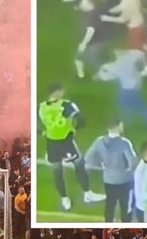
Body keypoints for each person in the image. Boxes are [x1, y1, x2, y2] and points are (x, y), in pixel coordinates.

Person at [38, 83, 105, 211]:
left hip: (51, 144)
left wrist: (43, 132)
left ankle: (64, 199)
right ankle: (87, 194)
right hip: (66, 142)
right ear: (57, 92)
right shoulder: (66, 105)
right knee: (79, 165)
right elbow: (82, 120)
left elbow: (35, 126)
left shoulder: (41, 107)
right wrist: (75, 129)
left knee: (57, 171)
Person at [95, 49, 147, 136]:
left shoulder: (118, 64)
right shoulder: (129, 59)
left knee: (136, 109)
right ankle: (124, 126)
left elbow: (109, 75)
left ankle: (122, 127)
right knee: (133, 109)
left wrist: (98, 76)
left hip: (128, 90)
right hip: (132, 89)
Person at [84, 118, 137, 223]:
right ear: (117, 127)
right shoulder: (124, 143)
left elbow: (88, 157)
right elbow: (132, 162)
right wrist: (130, 170)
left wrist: (99, 165)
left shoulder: (99, 141)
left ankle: (108, 228)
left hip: (108, 178)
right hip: (123, 179)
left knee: (110, 204)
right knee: (125, 206)